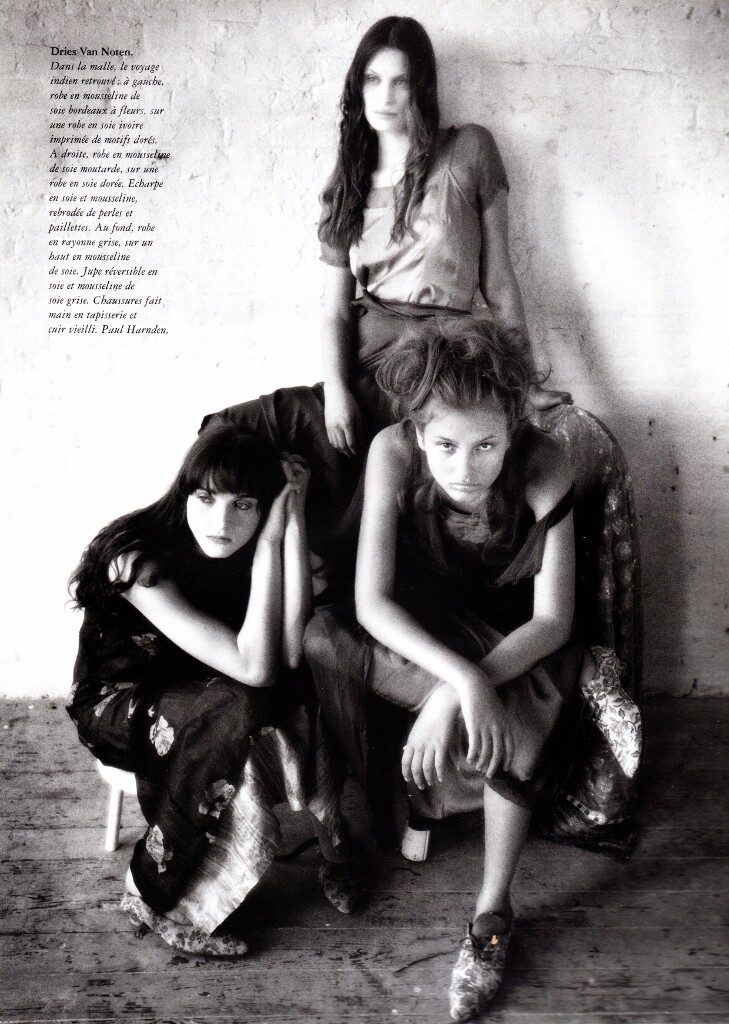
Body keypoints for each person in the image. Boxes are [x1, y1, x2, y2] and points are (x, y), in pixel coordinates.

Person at [304, 318, 592, 1020]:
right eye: (446, 445)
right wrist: (456, 683)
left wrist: (466, 687)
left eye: (486, 444)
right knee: (321, 637)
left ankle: (492, 914)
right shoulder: (391, 451)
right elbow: (371, 602)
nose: (465, 467)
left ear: (513, 431)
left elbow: (553, 620)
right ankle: (359, 821)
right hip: (423, 623)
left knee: (513, 734)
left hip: (511, 635)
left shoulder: (547, 462)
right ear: (417, 430)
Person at [68, 424, 360, 956]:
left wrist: (291, 520)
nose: (221, 523)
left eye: (243, 505)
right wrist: (266, 541)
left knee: (303, 679)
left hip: (205, 680)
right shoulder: (136, 558)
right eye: (205, 499)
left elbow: (291, 650)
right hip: (122, 699)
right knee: (237, 706)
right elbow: (254, 668)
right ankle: (161, 897)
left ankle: (333, 841)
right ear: (184, 493)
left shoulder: (245, 545)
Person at [318, 14, 567, 458]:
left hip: (444, 360)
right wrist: (336, 392)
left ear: (422, 88)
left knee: (411, 456)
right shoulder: (347, 180)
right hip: (367, 364)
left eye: (401, 82)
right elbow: (336, 309)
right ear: (357, 85)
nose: (385, 96)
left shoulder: (469, 149)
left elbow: (498, 281)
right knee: (249, 432)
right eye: (373, 79)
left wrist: (524, 381)